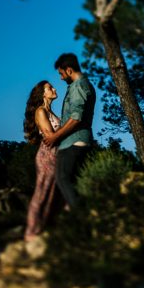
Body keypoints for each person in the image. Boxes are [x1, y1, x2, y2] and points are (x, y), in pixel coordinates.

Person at [43, 53, 96, 208]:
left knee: (62, 179)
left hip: (74, 142)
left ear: (69, 70)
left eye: (61, 73)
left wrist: (55, 137)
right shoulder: (80, 85)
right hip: (76, 141)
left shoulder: (78, 86)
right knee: (75, 183)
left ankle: (81, 219)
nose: (60, 78)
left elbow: (76, 118)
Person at [24, 80, 63, 239]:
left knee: (54, 193)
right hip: (47, 155)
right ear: (43, 94)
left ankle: (45, 228)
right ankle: (32, 232)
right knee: (42, 193)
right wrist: (70, 127)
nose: (54, 89)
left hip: (57, 155)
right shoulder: (40, 111)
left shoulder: (51, 112)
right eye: (50, 88)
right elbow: (49, 136)